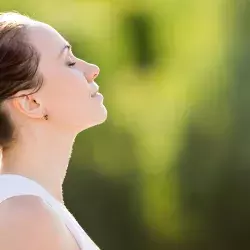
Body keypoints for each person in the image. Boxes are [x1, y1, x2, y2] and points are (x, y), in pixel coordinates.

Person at [0, 11, 107, 250]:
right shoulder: (26, 215)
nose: (92, 69)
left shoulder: (33, 208)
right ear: (31, 103)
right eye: (69, 62)